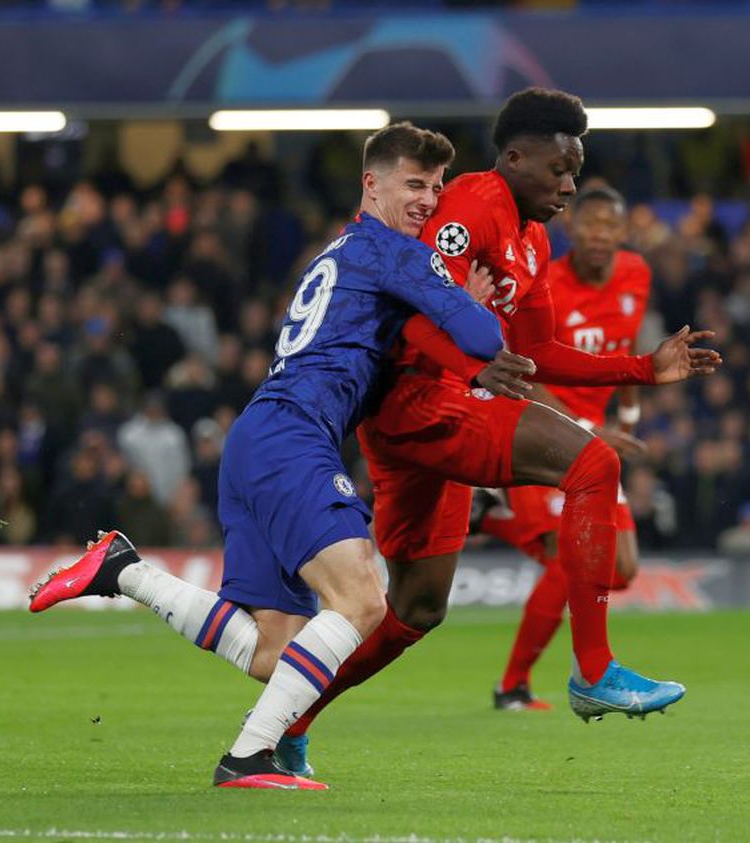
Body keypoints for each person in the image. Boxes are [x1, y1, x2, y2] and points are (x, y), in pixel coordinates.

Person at [27, 122, 526, 790]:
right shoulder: (395, 252)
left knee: (276, 652)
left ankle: (124, 570)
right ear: (369, 184)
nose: (430, 201)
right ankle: (248, 757)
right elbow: (483, 333)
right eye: (414, 184)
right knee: (365, 601)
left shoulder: (343, 252)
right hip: (295, 437)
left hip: (259, 435)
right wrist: (460, 299)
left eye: (436, 187)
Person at [276, 88, 721, 776]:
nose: (569, 186)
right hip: (416, 401)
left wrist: (642, 366)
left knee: (416, 609)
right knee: (593, 464)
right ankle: (593, 669)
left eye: (576, 172)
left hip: (437, 411)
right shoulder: (473, 205)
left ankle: (288, 721)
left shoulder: (534, 238)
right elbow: (413, 312)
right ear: (515, 157)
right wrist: (475, 357)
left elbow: (538, 349)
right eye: (560, 169)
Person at [474, 184, 651, 710]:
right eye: (590, 224)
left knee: (621, 569)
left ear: (624, 232)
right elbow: (525, 365)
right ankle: (513, 687)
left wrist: (630, 415)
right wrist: (583, 427)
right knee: (564, 560)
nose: (599, 235)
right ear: (570, 228)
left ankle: (490, 518)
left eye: (610, 226)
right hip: (541, 425)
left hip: (596, 436)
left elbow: (626, 347)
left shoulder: (636, 275)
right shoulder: (545, 278)